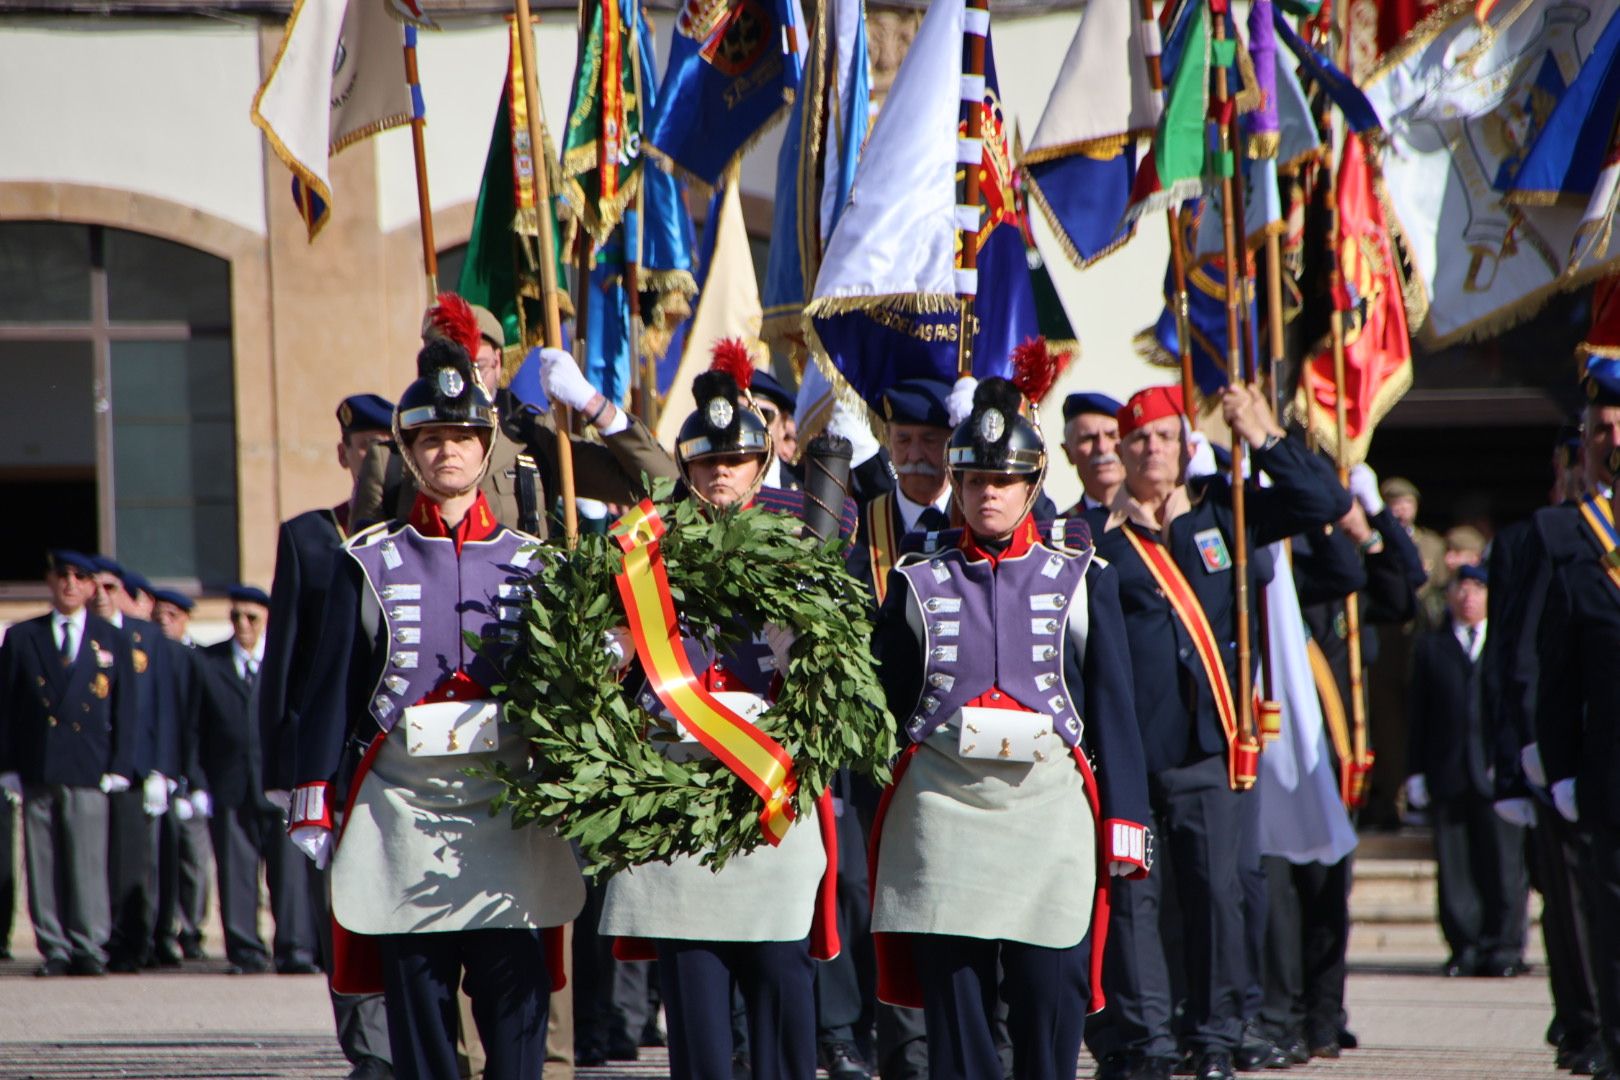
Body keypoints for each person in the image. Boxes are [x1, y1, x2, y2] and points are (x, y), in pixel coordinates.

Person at [290, 337, 586, 1080]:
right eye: (431, 438)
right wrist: (312, 798)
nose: (447, 451)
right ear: (408, 450)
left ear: (486, 446)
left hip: (508, 819)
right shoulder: (365, 560)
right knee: (421, 1031)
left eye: (461, 436)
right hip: (401, 819)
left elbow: (569, 695)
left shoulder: (537, 563)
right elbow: (333, 689)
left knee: (517, 1026)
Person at [864, 368, 1152, 1080]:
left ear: (1031, 486)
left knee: (1049, 1004)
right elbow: (884, 702)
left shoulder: (1083, 575)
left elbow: (1114, 706)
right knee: (956, 1020)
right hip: (942, 815)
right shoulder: (914, 577)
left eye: (1003, 480)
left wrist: (1126, 820)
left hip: (1046, 817)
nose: (987, 492)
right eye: (974, 480)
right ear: (956, 487)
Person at [1084, 384, 1348, 1080]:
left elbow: (1325, 505)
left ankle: (1217, 1038)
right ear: (1121, 447)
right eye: (1137, 438)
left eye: (1164, 436)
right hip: (1131, 758)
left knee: (1218, 899)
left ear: (1183, 444)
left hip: (1211, 748)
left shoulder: (1225, 513)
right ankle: (1149, 1041)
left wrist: (1264, 437)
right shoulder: (1094, 536)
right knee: (1135, 903)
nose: (1150, 449)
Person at [597, 356, 849, 1080]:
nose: (721, 475)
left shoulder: (804, 543)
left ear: (762, 460)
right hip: (679, 799)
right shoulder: (645, 551)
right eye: (708, 462)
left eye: (737, 459)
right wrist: (611, 650)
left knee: (781, 992)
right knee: (699, 1018)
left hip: (769, 795)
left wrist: (811, 643)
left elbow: (843, 670)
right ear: (686, 466)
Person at [254, 393, 395, 1075]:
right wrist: (279, 768)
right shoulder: (311, 535)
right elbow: (282, 659)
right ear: (343, 456)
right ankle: (368, 1049)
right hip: (325, 757)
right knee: (340, 906)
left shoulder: (408, 534)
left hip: (391, 751)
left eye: (383, 444)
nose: (371, 456)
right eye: (360, 446)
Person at [353, 296, 676, 535]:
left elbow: (664, 487)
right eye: (453, 369)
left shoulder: (532, 439)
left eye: (476, 366)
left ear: (497, 361)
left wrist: (593, 405)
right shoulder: (392, 459)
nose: (466, 383)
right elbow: (368, 567)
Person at [0, 549, 137, 977]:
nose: (71, 584)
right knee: (43, 859)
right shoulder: (24, 637)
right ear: (50, 580)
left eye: (81, 576)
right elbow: (6, 707)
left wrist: (121, 764)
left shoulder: (111, 637)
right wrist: (6, 766)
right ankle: (54, 946)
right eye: (63, 575)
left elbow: (126, 708)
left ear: (92, 585)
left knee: (88, 859)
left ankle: (89, 944)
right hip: (38, 762)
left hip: (88, 764)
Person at [1406, 565, 1528, 978]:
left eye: (1478, 588)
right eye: (1462, 588)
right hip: (1449, 770)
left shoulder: (1505, 643)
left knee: (1504, 864)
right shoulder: (1431, 647)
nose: (1468, 597)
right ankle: (1466, 947)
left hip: (1498, 775)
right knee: (1455, 866)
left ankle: (1505, 947)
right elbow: (1416, 715)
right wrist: (1415, 771)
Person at [195, 584, 318, 975]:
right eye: (235, 617)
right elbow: (192, 727)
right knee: (236, 872)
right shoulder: (209, 662)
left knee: (290, 877)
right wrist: (196, 781)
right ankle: (245, 949)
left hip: (280, 784)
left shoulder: (283, 663)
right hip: (230, 784)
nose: (242, 625)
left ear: (266, 620)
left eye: (251, 617)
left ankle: (294, 949)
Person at [86, 557, 173, 974]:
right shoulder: (80, 635)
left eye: (110, 588)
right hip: (88, 764)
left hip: (136, 767)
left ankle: (133, 943)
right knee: (90, 860)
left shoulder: (146, 637)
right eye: (95, 587)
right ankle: (90, 941)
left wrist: (162, 768)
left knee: (131, 864)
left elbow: (164, 706)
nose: (101, 596)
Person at [148, 587, 211, 967]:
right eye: (159, 615)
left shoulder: (197, 659)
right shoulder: (149, 657)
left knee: (194, 861)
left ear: (185, 619)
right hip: (162, 775)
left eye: (171, 615)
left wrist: (197, 780)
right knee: (161, 859)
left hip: (194, 776)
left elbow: (198, 723)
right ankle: (164, 930)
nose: (163, 622)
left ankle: (192, 929)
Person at [1057, 391, 1125, 516]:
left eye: (1112, 435)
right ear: (1068, 452)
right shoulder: (1062, 530)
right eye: (1089, 438)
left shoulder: (1159, 519)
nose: (1102, 448)